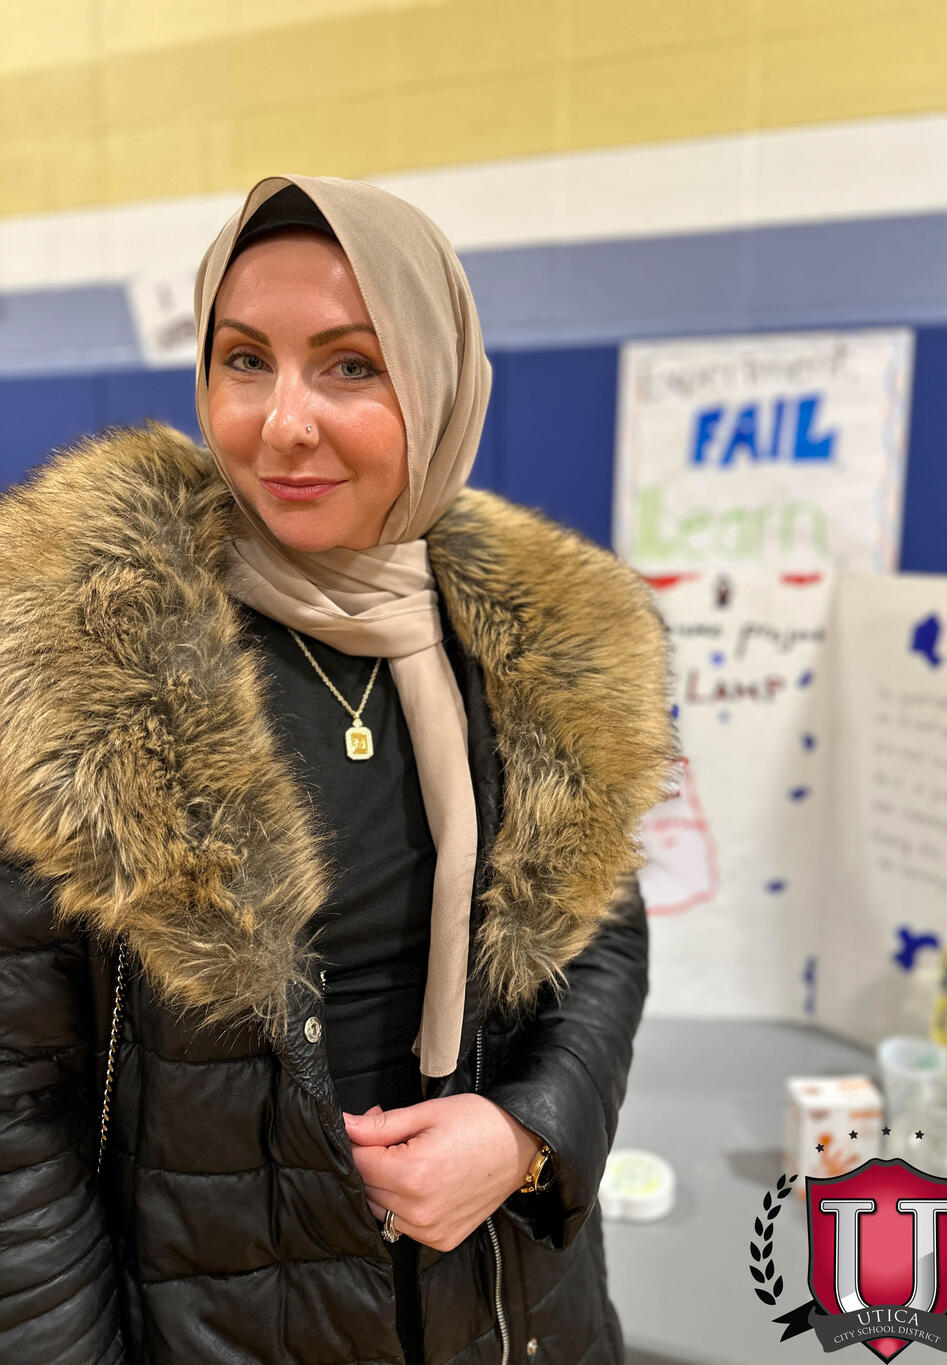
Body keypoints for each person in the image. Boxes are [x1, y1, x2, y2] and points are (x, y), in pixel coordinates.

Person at [0, 175, 672, 1364]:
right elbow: (16, 1106)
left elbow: (602, 939)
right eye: (244, 360)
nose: (281, 423)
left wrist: (526, 1136)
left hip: (511, 1311)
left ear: (442, 381)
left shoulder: (544, 649)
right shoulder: (85, 661)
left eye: (350, 365)